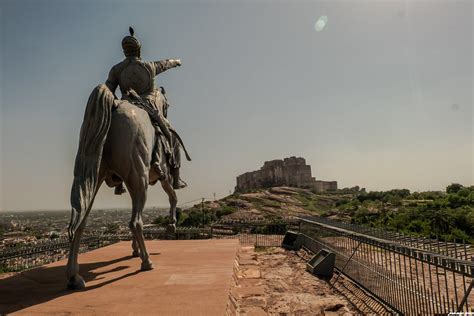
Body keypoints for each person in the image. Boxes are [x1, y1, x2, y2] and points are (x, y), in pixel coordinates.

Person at [105, 27, 187, 191]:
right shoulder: (149, 66)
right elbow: (166, 63)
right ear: (139, 50)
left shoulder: (116, 69)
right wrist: (177, 61)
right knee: (171, 135)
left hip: (124, 104)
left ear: (124, 51)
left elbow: (108, 91)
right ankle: (176, 178)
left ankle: (117, 180)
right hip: (148, 106)